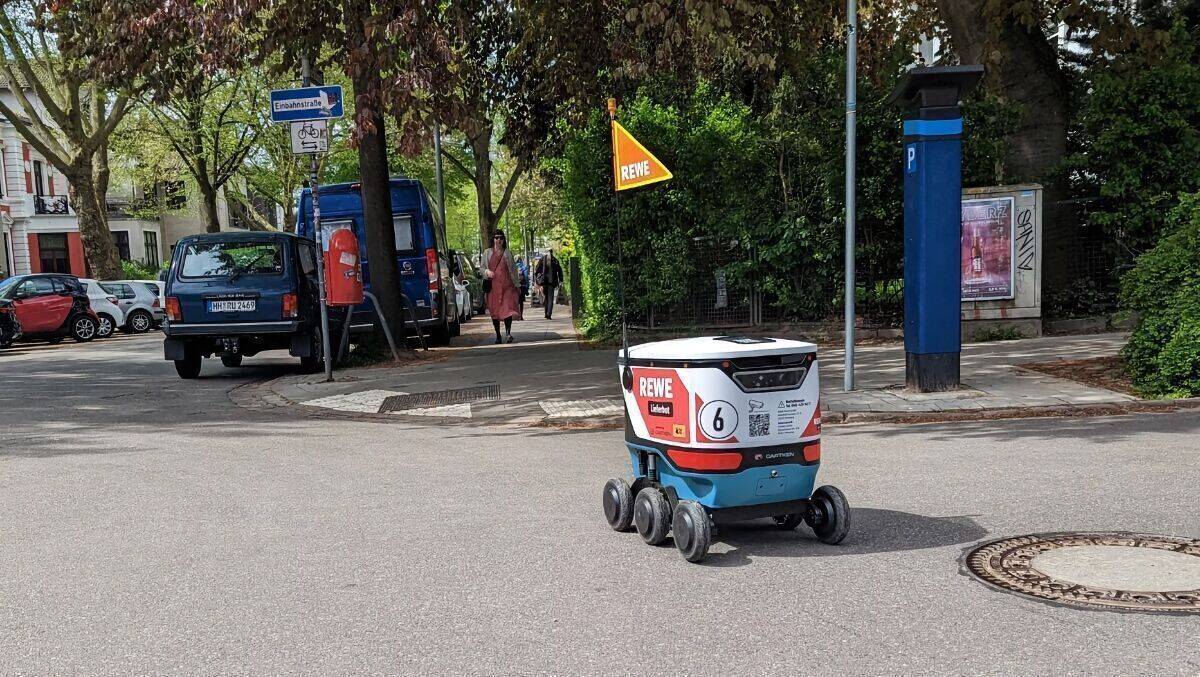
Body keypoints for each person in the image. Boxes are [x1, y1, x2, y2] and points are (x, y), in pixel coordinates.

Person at [483, 230, 521, 344]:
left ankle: (508, 333)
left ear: (504, 240)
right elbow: (481, 268)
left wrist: (517, 285)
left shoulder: (507, 253)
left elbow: (513, 271)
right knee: (494, 311)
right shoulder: (487, 253)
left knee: (507, 309)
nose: (498, 240)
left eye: (501, 238)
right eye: (496, 238)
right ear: (493, 239)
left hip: (507, 287)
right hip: (493, 288)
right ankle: (498, 335)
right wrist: (487, 271)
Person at [534, 249, 564, 320]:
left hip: (544, 282)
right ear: (552, 252)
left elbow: (537, 269)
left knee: (546, 297)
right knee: (550, 298)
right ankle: (549, 314)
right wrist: (561, 280)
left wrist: (537, 279)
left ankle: (546, 313)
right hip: (551, 282)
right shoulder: (555, 260)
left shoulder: (542, 259)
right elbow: (559, 271)